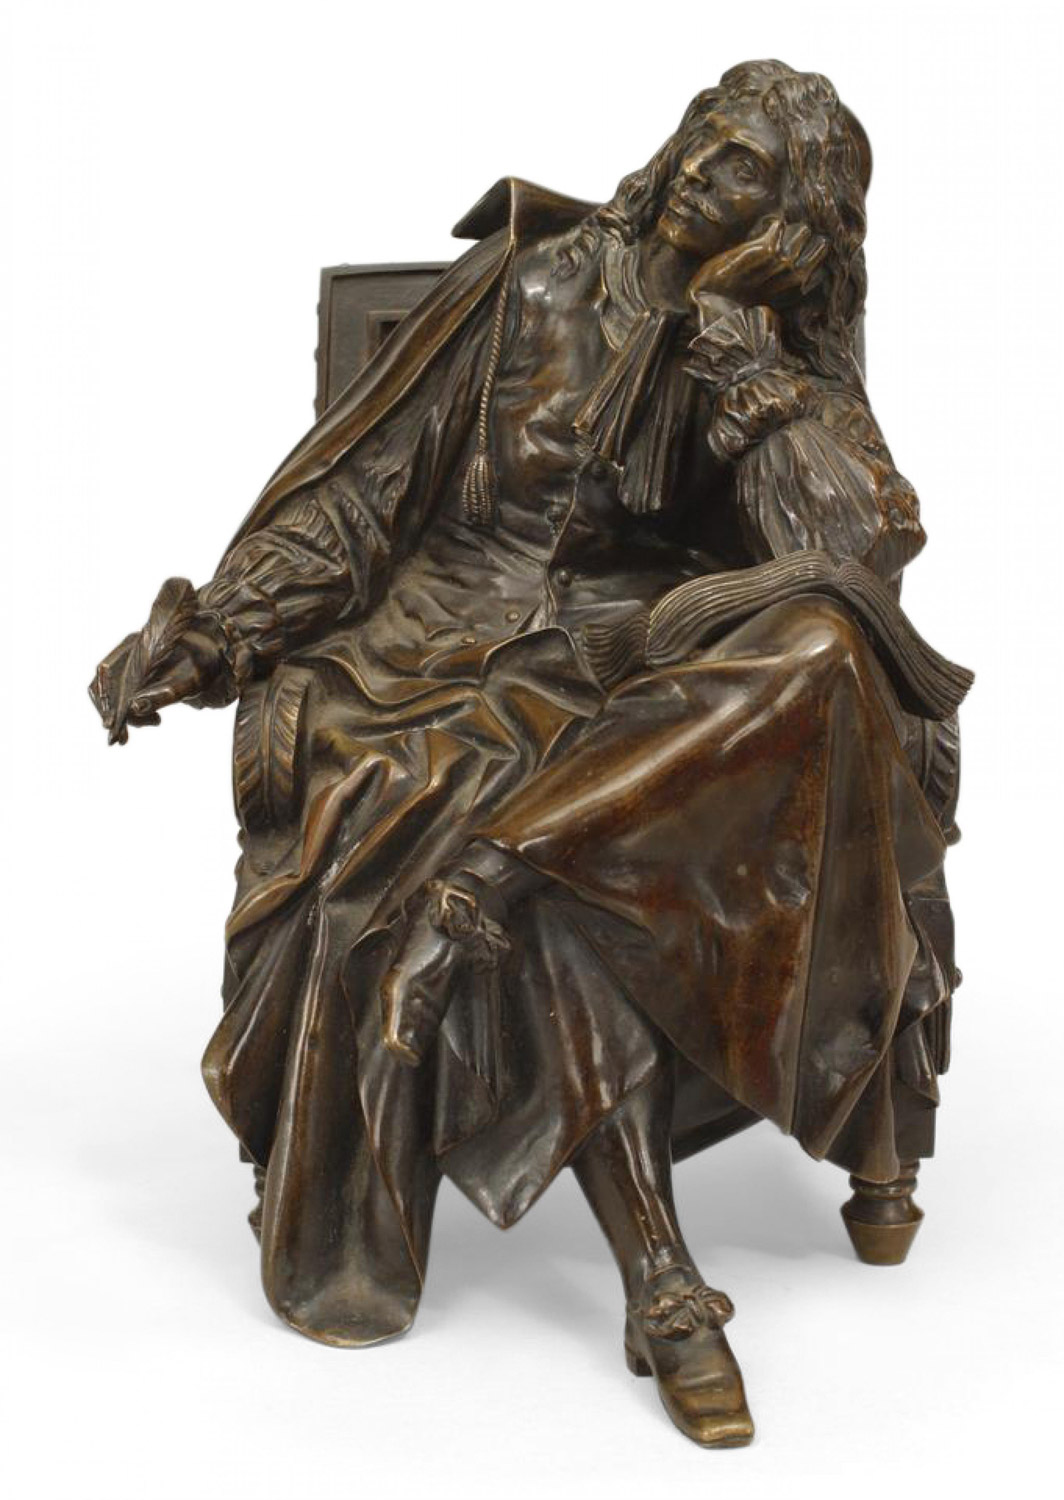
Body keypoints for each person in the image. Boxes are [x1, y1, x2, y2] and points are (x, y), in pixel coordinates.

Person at [91, 61, 963, 1447]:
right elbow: (359, 509)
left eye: (744, 169)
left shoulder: (766, 343)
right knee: (569, 828)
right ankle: (662, 1280)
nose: (701, 171)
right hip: (443, 654)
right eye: (702, 137)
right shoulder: (526, 285)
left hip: (640, 661)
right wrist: (218, 633)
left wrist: (741, 350)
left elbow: (852, 556)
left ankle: (480, 889)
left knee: (815, 652)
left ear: (788, 221)